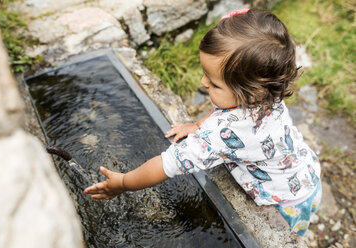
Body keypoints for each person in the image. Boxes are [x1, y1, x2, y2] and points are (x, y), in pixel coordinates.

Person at [84, 8, 321, 236]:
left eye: (214, 83)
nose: (203, 82)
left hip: (286, 202)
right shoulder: (270, 92)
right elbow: (222, 112)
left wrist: (124, 182)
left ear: (252, 92)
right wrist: (198, 126)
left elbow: (167, 164)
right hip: (306, 171)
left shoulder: (225, 132)